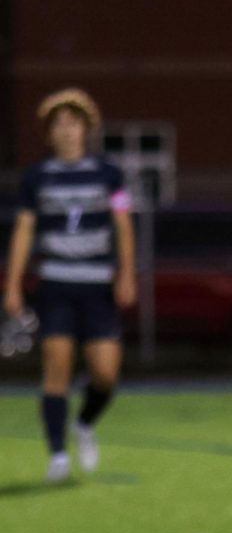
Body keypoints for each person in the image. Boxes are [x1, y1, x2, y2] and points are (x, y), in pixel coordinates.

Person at [2, 88, 137, 482]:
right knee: (56, 366)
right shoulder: (37, 177)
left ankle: (83, 424)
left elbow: (123, 225)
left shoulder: (108, 173)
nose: (67, 130)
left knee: (105, 374)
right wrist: (12, 285)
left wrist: (127, 273)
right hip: (56, 283)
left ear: (86, 129)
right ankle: (58, 454)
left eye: (73, 123)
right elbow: (24, 231)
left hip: (97, 286)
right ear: (50, 133)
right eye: (58, 124)